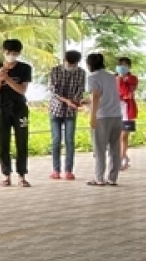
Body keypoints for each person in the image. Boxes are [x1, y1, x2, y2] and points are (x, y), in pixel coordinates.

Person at [0, 39, 32, 187]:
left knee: (22, 141)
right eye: (8, 53)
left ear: (18, 53)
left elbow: (22, 90)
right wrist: (0, 79)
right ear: (3, 52)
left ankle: (22, 175)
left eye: (14, 53)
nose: (10, 55)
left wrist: (8, 79)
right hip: (1, 108)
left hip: (19, 108)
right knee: (3, 141)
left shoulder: (25, 68)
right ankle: (6, 175)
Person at [46, 50, 85, 181]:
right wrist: (67, 101)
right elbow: (54, 91)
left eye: (74, 63)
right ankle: (56, 170)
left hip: (71, 111)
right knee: (56, 140)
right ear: (64, 60)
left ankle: (68, 170)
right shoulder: (55, 71)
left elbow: (80, 90)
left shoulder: (81, 73)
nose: (72, 65)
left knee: (69, 141)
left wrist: (75, 101)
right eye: (70, 63)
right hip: (55, 109)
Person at [85, 53, 122, 187]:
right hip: (117, 115)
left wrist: (92, 116)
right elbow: (106, 94)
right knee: (115, 148)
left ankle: (99, 178)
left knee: (99, 149)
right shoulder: (111, 76)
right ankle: (112, 178)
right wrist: (87, 101)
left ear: (89, 64)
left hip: (102, 116)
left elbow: (96, 96)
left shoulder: (92, 77)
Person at [116, 57, 138, 171]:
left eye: (125, 65)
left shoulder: (133, 79)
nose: (123, 67)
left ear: (129, 67)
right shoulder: (113, 78)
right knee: (117, 137)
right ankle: (121, 156)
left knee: (124, 136)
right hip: (115, 110)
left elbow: (126, 93)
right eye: (121, 64)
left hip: (128, 110)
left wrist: (120, 80)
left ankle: (122, 158)